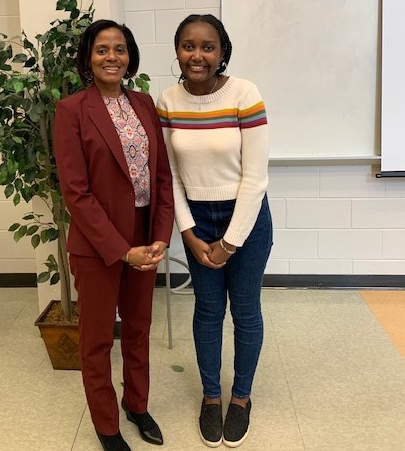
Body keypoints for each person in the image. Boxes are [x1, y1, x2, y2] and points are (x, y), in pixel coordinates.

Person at [54, 19, 174, 451]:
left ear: (130, 57)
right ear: (88, 57)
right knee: (98, 338)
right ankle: (107, 425)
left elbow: (161, 177)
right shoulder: (72, 110)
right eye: (102, 49)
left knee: (139, 330)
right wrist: (122, 251)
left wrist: (160, 236)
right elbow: (76, 193)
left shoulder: (144, 105)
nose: (111, 57)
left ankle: (136, 406)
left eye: (119, 49)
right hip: (99, 247)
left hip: (146, 240)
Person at [156, 14, 273, 449]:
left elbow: (255, 178)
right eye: (188, 46)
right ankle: (211, 396)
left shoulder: (245, 93)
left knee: (245, 311)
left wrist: (230, 242)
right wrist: (187, 231)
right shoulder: (167, 101)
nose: (197, 55)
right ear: (177, 51)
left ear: (222, 52)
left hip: (246, 218)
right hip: (197, 221)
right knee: (207, 312)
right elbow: (169, 175)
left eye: (207, 47)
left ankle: (240, 398)